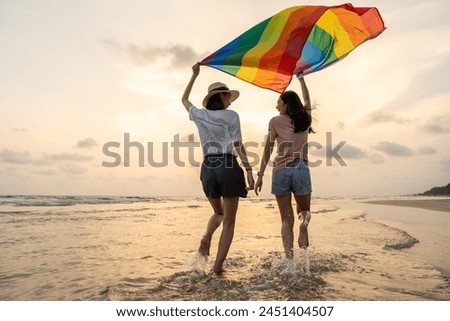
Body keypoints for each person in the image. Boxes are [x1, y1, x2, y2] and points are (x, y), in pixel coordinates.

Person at [181, 62, 255, 274]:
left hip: (208, 167)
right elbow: (238, 145)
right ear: (221, 96)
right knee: (229, 221)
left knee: (218, 212)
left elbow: (184, 100)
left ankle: (206, 237)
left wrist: (194, 75)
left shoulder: (199, 114)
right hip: (227, 164)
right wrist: (249, 170)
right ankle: (217, 269)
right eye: (228, 97)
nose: (230, 102)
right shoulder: (231, 116)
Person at [254, 75, 313, 259]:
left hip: (280, 171)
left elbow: (268, 148)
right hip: (301, 169)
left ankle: (289, 260)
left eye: (278, 102)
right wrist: (301, 79)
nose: (276, 106)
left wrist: (260, 174)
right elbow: (307, 100)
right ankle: (304, 225)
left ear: (286, 103)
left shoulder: (275, 121)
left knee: (286, 219)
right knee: (304, 211)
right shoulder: (305, 118)